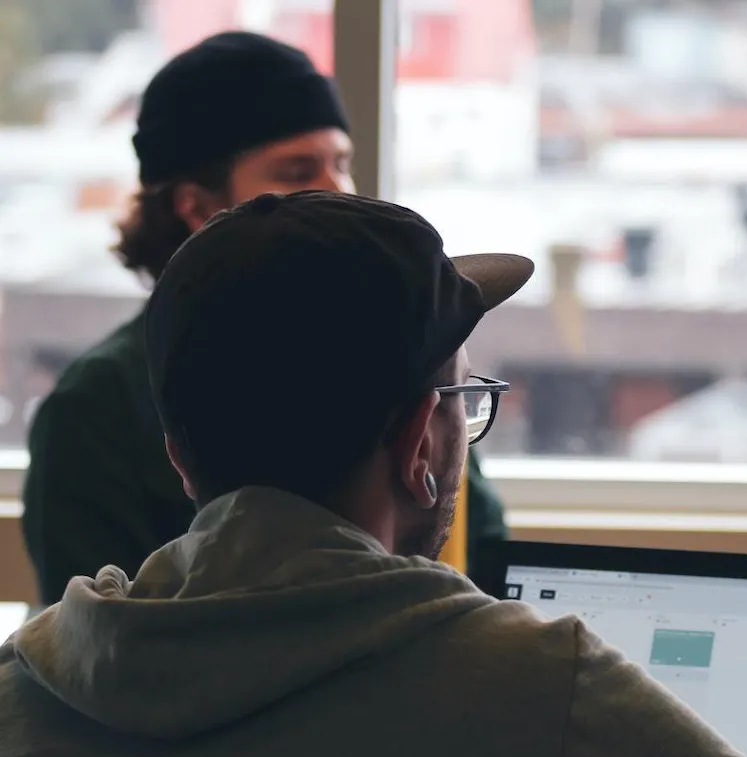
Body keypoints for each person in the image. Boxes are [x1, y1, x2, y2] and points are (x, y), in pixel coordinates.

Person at [4, 191, 747, 757]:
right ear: (416, 448)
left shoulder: (26, 692)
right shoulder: (534, 693)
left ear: (179, 456)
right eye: (465, 402)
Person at [22, 31, 506, 606]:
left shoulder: (406, 349)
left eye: (342, 164)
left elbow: (486, 559)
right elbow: (99, 656)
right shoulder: (95, 410)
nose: (339, 192)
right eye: (299, 171)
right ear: (196, 207)